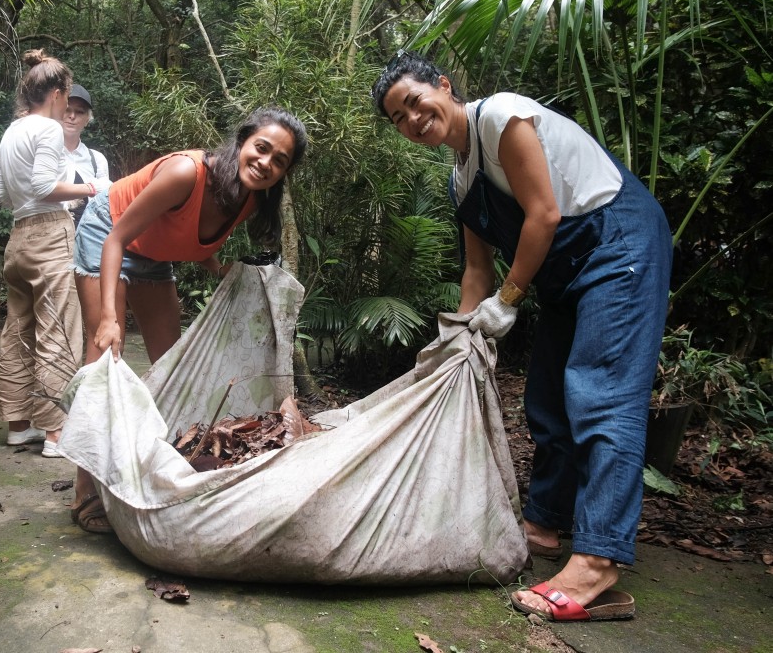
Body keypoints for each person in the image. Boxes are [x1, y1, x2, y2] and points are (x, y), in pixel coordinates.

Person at [372, 51, 672, 621]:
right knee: (546, 398)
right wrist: (462, 340)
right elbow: (476, 272)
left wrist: (508, 303)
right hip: (562, 273)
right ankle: (545, 520)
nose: (413, 119)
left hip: (617, 242)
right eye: (398, 118)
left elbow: (543, 216)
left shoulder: (500, 116)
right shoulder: (461, 181)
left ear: (444, 85)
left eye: (415, 101)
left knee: (600, 394)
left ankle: (600, 559)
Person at [68, 106, 308, 532]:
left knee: (171, 362)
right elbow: (117, 237)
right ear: (242, 142)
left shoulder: (250, 199)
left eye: (279, 161)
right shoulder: (186, 172)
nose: (266, 163)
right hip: (109, 233)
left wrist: (220, 269)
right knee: (104, 355)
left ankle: (157, 467)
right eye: (262, 148)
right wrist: (109, 318)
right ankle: (85, 488)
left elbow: (192, 234)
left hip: (154, 255)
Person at [0, 49, 95, 457]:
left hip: (17, 237)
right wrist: (91, 189)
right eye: (67, 97)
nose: (68, 107)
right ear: (57, 92)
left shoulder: (11, 132)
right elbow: (43, 187)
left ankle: (19, 425)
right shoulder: (49, 130)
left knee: (18, 331)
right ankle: (56, 433)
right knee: (58, 331)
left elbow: (1, 194)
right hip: (51, 233)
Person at [61, 84, 112, 225]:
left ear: (87, 119)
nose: (72, 116)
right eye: (67, 110)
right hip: (53, 237)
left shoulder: (97, 159)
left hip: (88, 236)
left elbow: (104, 202)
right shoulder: (46, 154)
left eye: (80, 112)